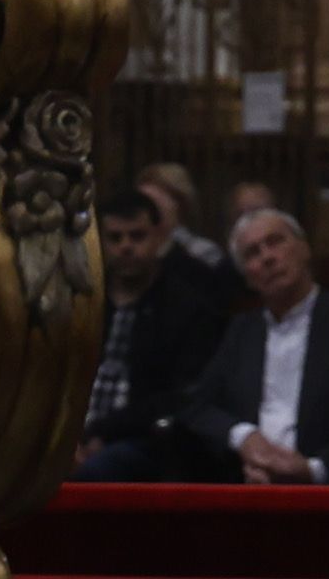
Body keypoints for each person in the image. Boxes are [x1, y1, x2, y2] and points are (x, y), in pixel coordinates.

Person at [173, 206, 329, 485]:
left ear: (304, 249)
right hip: (251, 487)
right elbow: (196, 406)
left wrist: (313, 470)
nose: (268, 257)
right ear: (247, 277)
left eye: (275, 242)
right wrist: (244, 436)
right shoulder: (242, 330)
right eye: (252, 253)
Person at [79, 177, 243, 479]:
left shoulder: (188, 308)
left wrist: (102, 433)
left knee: (95, 472)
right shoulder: (85, 301)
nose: (126, 247)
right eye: (115, 238)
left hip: (144, 439)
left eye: (137, 236)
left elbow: (181, 394)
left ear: (158, 238)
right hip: (75, 433)